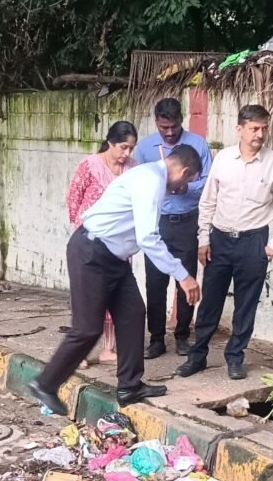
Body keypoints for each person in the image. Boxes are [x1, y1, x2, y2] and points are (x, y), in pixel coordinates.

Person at [30, 145, 203, 415]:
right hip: (92, 253)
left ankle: (129, 386)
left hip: (113, 258)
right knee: (87, 328)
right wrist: (182, 275)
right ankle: (45, 383)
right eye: (187, 181)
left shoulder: (149, 177)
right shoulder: (151, 181)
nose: (183, 188)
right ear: (184, 171)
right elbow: (148, 237)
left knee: (133, 313)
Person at [175, 104, 273, 381]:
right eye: (254, 128)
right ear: (239, 129)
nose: (260, 134)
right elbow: (208, 201)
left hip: (254, 241)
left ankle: (235, 358)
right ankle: (197, 357)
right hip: (219, 239)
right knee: (209, 303)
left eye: (264, 128)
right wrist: (203, 239)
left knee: (246, 304)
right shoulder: (223, 159)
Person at [133, 98, 212, 360]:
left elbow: (209, 183)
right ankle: (156, 339)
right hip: (158, 223)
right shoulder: (144, 148)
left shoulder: (198, 145)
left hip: (188, 221)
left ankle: (181, 336)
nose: (169, 132)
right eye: (163, 127)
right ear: (156, 122)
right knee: (155, 283)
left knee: (186, 279)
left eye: (174, 126)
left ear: (182, 120)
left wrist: (187, 186)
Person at [66, 121, 138, 364]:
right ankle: (81, 352)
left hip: (118, 246)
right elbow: (73, 198)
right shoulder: (90, 165)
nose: (126, 154)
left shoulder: (133, 170)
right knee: (87, 298)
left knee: (115, 297)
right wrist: (82, 231)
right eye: (122, 147)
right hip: (90, 244)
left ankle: (109, 348)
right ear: (110, 143)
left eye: (131, 149)